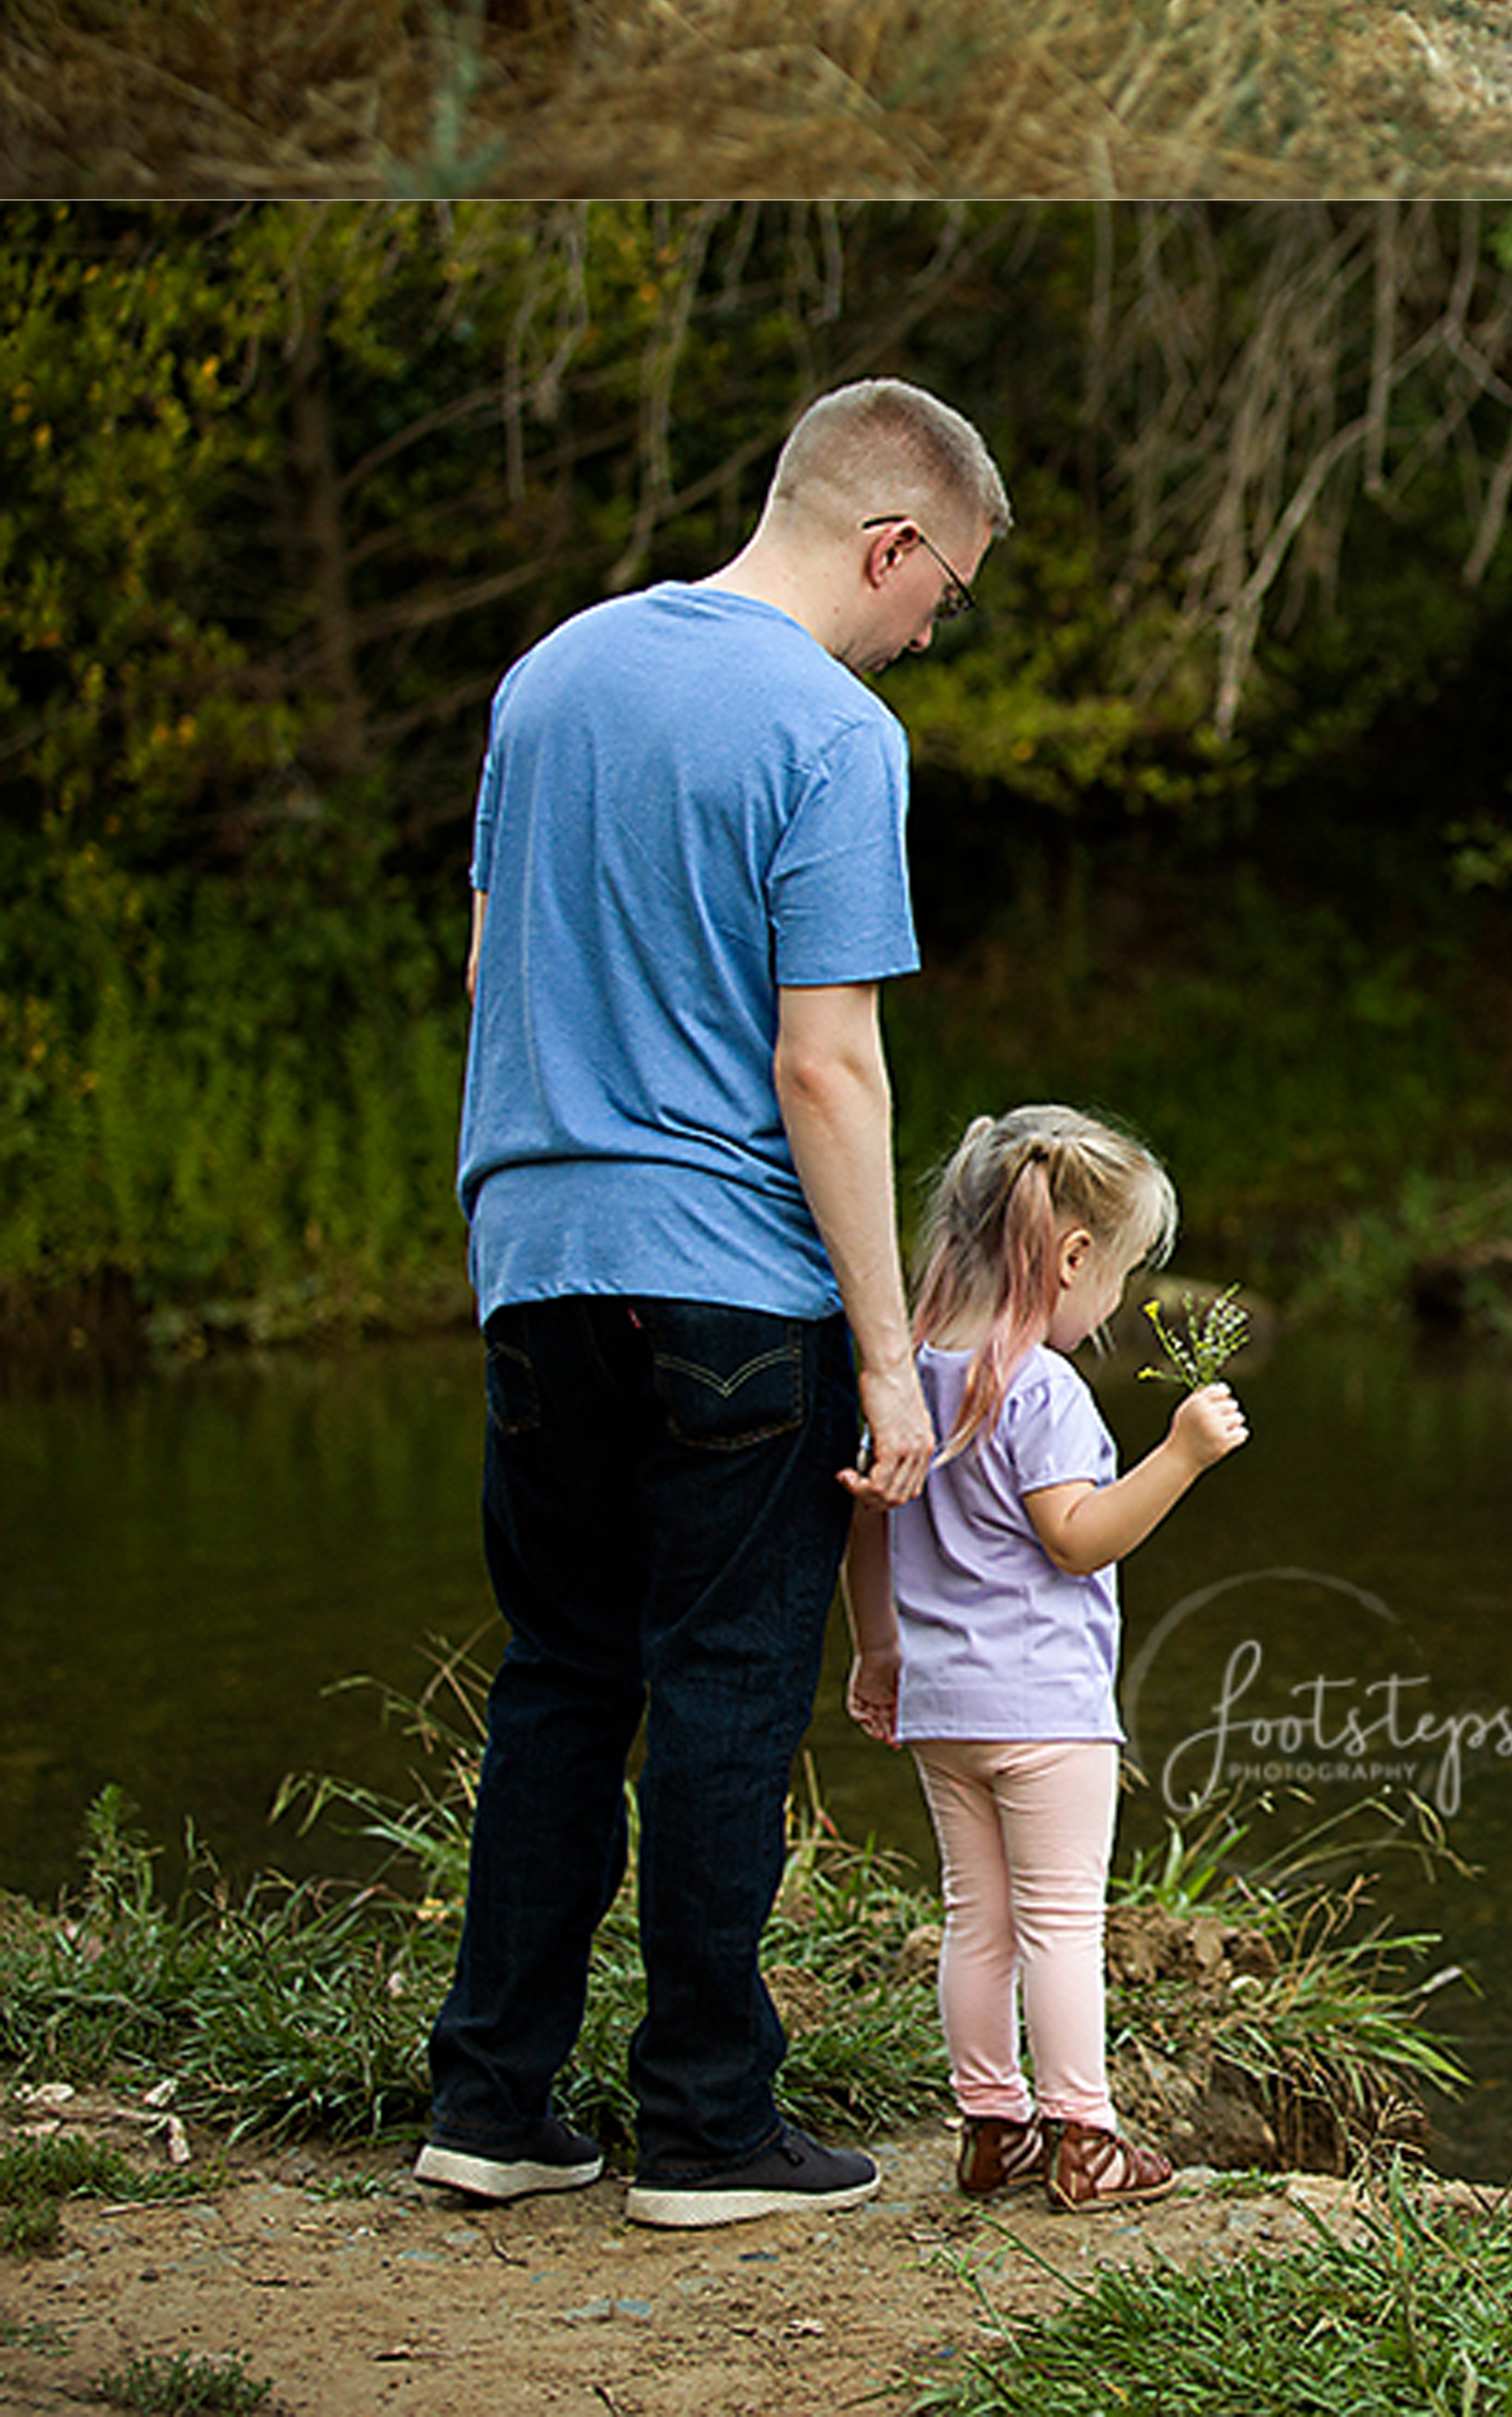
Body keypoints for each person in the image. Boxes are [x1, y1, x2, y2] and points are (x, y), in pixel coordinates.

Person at [416, 376, 1008, 2231]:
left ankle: (494, 2104)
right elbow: (825, 1067)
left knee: (562, 1677)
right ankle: (707, 2127)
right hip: (736, 1290)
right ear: (888, 542)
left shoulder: (550, 676)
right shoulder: (833, 732)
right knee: (730, 1685)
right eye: (949, 593)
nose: (933, 632)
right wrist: (885, 1358)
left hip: (540, 1262)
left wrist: (522, 1208)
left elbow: (492, 972)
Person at [839, 1107, 1250, 2213]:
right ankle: (1086, 2135)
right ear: (1071, 1257)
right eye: (1117, 1275)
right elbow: (1078, 1538)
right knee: (1062, 1924)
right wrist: (1182, 1456)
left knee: (977, 1919)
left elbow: (867, 1525)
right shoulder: (1043, 1390)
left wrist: (877, 1649)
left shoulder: (909, 1375)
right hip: (1046, 1713)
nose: (1115, 1301)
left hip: (943, 1703)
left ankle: (991, 2127)